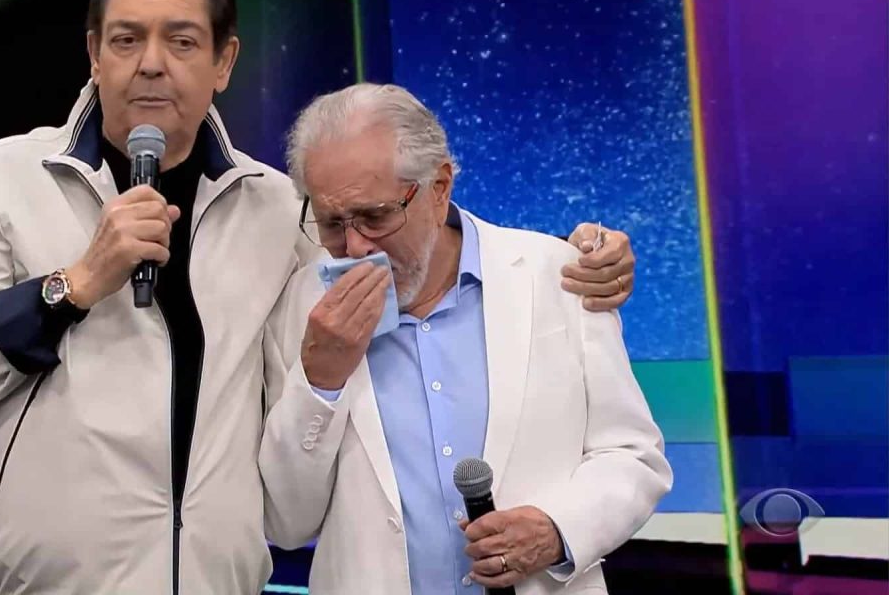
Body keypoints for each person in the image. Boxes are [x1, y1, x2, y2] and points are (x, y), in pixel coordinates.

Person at [0, 0, 640, 594]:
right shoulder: (5, 179)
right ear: (93, 52)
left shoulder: (279, 208)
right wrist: (73, 285)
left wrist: (586, 255)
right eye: (125, 40)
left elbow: (416, 250)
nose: (151, 65)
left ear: (224, 61)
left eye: (182, 41)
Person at [259, 83, 672, 595]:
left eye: (376, 215)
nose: (355, 246)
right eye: (332, 223)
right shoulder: (299, 309)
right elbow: (287, 521)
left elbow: (634, 454)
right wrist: (321, 379)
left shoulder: (556, 275)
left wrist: (558, 529)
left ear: (438, 188)